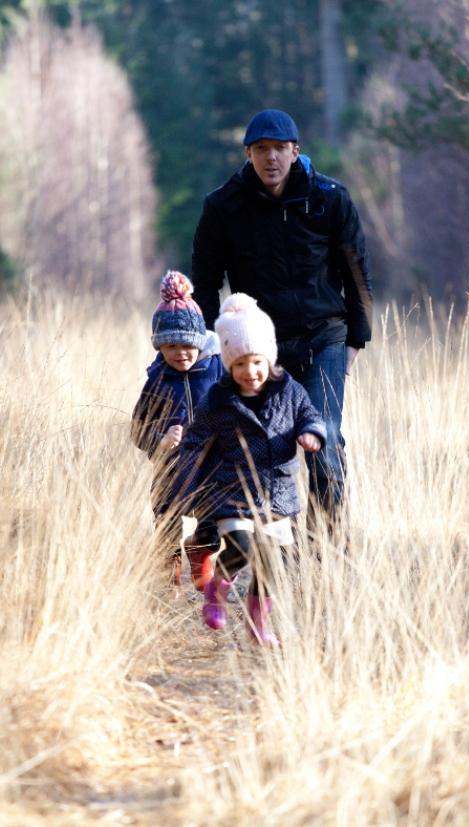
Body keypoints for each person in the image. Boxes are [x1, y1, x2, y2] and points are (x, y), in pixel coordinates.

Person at [191, 108, 373, 534]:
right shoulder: (223, 206)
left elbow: (357, 275)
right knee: (261, 448)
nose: (270, 158)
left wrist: (356, 340)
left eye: (278, 149)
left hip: (323, 337)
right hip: (260, 350)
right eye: (260, 150)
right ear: (248, 154)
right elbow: (205, 281)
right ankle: (268, 549)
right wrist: (218, 344)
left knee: (322, 441)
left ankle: (325, 552)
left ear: (296, 151)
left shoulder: (330, 199)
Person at [174, 293, 326, 646]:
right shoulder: (217, 398)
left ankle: (258, 626)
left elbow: (311, 415)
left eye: (256, 362)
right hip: (232, 492)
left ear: (268, 358)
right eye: (239, 364)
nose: (249, 372)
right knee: (240, 544)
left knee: (272, 564)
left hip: (278, 494)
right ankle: (217, 591)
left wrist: (311, 433)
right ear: (229, 365)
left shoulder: (290, 390)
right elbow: (196, 440)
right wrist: (186, 480)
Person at [131, 271, 225, 589]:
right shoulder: (157, 381)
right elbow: (137, 429)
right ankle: (168, 579)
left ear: (199, 340)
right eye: (170, 345)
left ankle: (201, 552)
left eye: (187, 344)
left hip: (211, 464)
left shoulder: (217, 370)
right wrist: (160, 440)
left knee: (212, 517)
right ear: (160, 347)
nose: (180, 352)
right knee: (167, 519)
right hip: (170, 468)